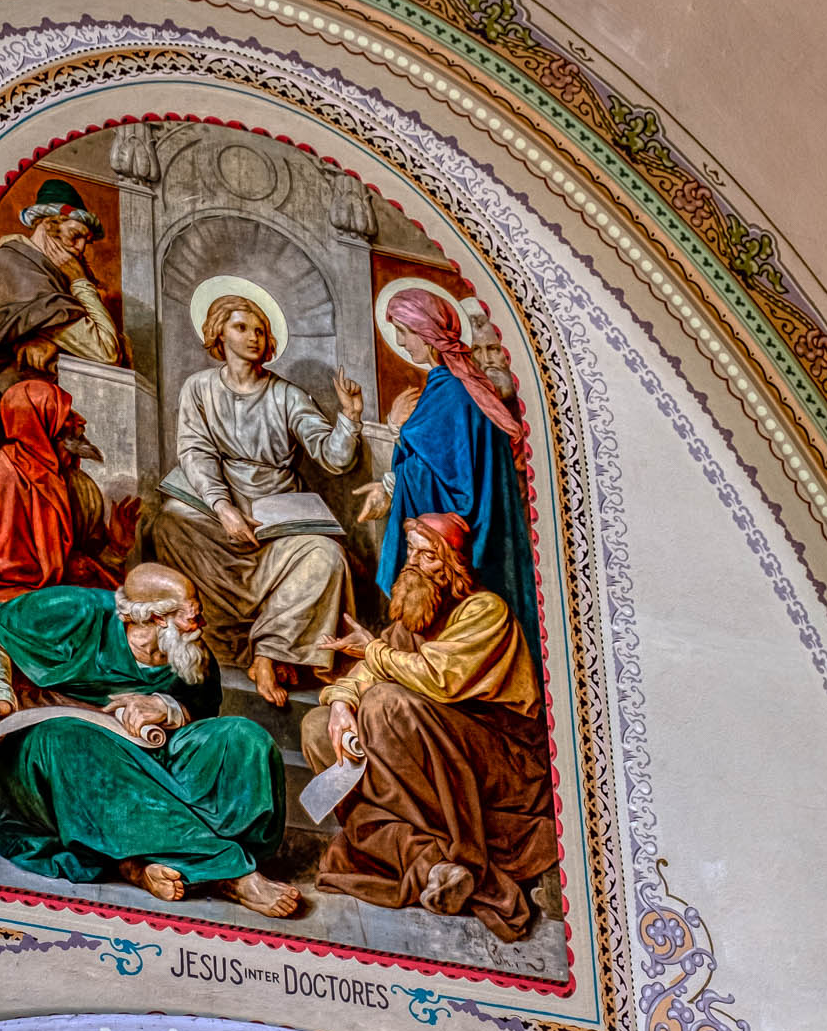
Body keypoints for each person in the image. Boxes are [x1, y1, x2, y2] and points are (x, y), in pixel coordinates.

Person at [0, 562, 300, 917]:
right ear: (155, 617)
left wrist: (167, 707)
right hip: (51, 752)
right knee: (72, 742)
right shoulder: (75, 610)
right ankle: (231, 873)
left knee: (242, 738)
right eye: (190, 617)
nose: (199, 626)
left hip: (148, 749)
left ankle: (140, 865)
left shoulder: (188, 651)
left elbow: (202, 707)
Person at [301, 513, 556, 939]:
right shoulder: (414, 618)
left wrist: (373, 651)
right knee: (318, 726)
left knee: (385, 704)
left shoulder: (484, 611)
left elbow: (439, 677)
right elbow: (368, 672)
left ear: (454, 563)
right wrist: (342, 703)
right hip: (437, 751)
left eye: (428, 555)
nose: (414, 563)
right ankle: (434, 864)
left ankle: (451, 851)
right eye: (411, 552)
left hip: (504, 764)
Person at [153, 294, 362, 708]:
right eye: (241, 327)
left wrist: (350, 418)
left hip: (277, 515)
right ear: (218, 333)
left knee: (326, 556)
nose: (253, 337)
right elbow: (194, 451)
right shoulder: (200, 387)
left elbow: (333, 457)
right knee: (169, 524)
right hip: (218, 505)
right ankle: (219, 637)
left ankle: (269, 652)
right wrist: (223, 507)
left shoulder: (286, 395)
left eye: (260, 331)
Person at [353, 289, 541, 673]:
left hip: (454, 539)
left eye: (405, 332)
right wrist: (392, 479)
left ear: (427, 334)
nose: (401, 342)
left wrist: (395, 454)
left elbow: (454, 485)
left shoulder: (451, 392)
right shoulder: (461, 385)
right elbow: (444, 466)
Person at [0, 379, 140, 620]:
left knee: (129, 609)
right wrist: (62, 568)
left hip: (60, 595)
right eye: (67, 416)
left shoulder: (81, 486)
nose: (81, 422)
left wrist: (116, 547)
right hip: (6, 604)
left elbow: (93, 566)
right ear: (37, 423)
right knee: (96, 608)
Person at [0, 177, 122, 402]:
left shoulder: (26, 265)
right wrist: (80, 280)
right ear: (47, 226)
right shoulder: (22, 271)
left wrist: (51, 344)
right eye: (75, 236)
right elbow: (107, 351)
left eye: (86, 241)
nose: (81, 248)